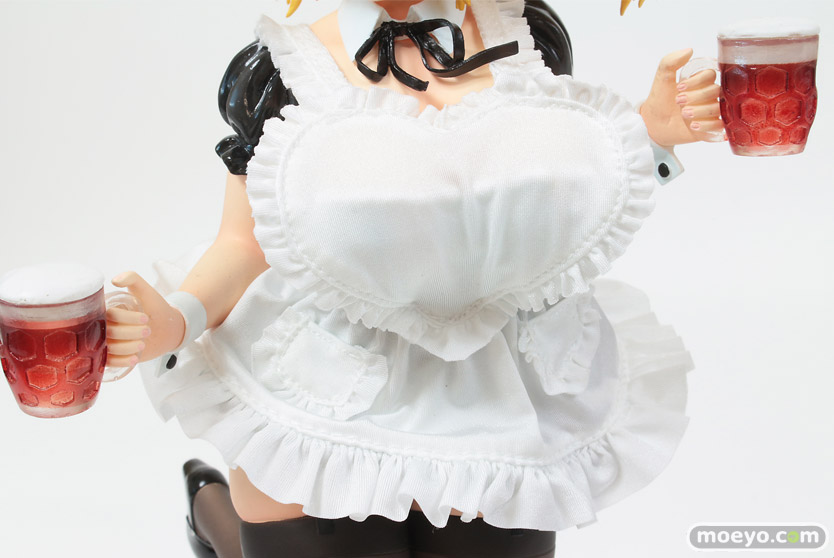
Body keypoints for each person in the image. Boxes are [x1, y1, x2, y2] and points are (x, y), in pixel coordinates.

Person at [104, 1, 723, 556]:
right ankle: (215, 516)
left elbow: (561, 181)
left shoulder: (527, 34)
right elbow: (244, 243)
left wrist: (650, 135)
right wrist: (178, 318)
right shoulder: (277, 72)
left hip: (493, 384)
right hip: (328, 375)